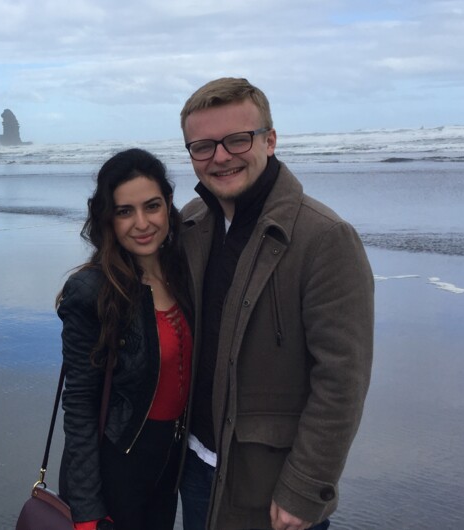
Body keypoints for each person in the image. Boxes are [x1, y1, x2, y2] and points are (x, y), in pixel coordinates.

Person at [176, 77, 374, 530]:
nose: (220, 157)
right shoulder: (191, 223)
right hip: (193, 463)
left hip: (270, 485)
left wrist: (306, 487)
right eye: (202, 146)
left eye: (237, 139)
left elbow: (343, 378)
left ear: (269, 139)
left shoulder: (324, 238)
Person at [57, 148, 193, 530]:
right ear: (107, 219)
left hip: (171, 460)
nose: (142, 223)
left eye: (152, 206)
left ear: (168, 205)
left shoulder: (184, 272)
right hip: (118, 463)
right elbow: (80, 402)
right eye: (124, 212)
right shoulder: (92, 291)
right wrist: (86, 510)